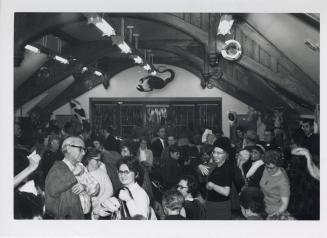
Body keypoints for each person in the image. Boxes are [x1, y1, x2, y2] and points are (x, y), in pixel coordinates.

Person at [44, 136, 95, 219]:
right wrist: (73, 173)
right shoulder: (57, 168)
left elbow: (95, 186)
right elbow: (52, 190)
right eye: (81, 149)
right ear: (68, 148)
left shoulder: (80, 166)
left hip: (84, 216)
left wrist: (84, 187)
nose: (84, 153)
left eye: (84, 150)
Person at [205, 138, 233, 220]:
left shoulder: (227, 168)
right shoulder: (216, 165)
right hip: (211, 204)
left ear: (226, 154)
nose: (215, 155)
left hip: (220, 206)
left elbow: (226, 192)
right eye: (214, 152)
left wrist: (212, 185)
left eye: (219, 153)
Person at [83, 148, 114, 219]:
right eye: (97, 160)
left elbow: (110, 190)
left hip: (100, 209)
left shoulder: (102, 173)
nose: (99, 162)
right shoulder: (82, 172)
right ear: (88, 159)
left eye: (100, 160)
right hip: (86, 209)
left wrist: (98, 202)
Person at [259, 150, 290, 218]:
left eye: (271, 168)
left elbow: (285, 203)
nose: (268, 170)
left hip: (275, 210)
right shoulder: (267, 168)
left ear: (279, 165)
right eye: (266, 166)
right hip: (263, 207)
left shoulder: (283, 182)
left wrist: (277, 213)